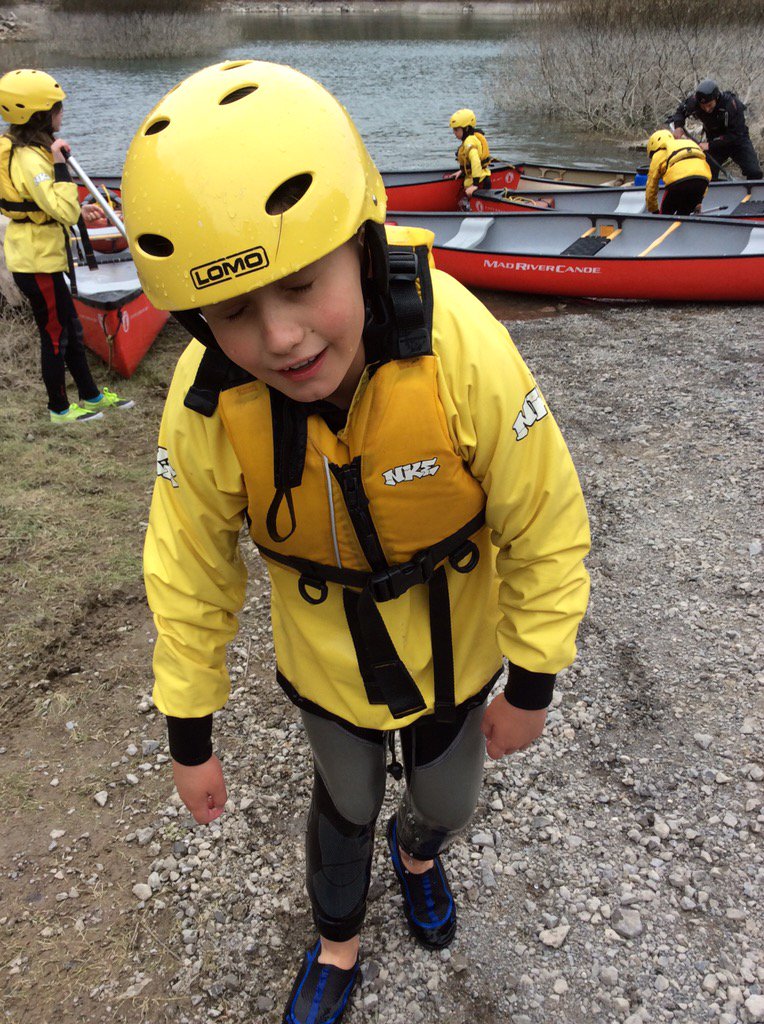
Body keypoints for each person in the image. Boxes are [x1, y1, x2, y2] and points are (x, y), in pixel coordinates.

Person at [123, 60, 590, 1024]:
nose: (282, 338)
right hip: (328, 661)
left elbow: (543, 513)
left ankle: (418, 855)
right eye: (235, 312)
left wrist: (536, 678)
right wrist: (189, 729)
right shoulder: (208, 401)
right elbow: (188, 566)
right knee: (344, 800)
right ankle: (338, 943)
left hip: (456, 652)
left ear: (362, 243)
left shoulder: (458, 343)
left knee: (449, 803)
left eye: (299, 284)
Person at [0, 68, 133, 424]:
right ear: (40, 114)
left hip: (43, 254)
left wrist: (80, 208)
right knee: (55, 335)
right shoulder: (32, 159)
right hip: (36, 262)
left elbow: (56, 207)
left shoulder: (34, 150)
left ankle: (89, 396)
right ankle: (58, 408)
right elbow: (60, 205)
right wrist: (60, 167)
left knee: (70, 329)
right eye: (58, 108)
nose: (63, 114)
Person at [670, 78, 762, 181]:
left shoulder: (732, 104)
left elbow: (737, 134)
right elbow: (680, 112)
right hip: (714, 140)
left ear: (716, 98)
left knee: (754, 172)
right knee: (706, 173)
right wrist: (678, 126)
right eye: (703, 106)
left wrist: (709, 145)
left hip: (737, 141)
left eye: (709, 105)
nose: (707, 109)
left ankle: (753, 193)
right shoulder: (694, 100)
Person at [644, 128, 712, 215]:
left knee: (665, 215)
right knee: (684, 215)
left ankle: (662, 225)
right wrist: (699, 201)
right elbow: (701, 171)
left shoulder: (659, 154)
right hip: (702, 182)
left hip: (678, 184)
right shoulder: (688, 145)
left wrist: (653, 209)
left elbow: (651, 186)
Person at [447, 108, 491, 196]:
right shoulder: (468, 139)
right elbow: (468, 160)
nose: (454, 133)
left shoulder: (469, 143)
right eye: (453, 130)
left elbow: (475, 162)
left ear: (466, 128)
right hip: (481, 179)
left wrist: (475, 185)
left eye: (456, 130)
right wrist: (462, 171)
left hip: (480, 183)